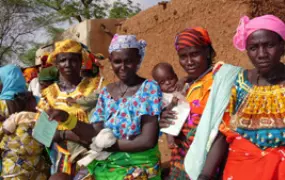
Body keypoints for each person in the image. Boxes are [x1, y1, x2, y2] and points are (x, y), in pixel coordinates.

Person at [48, 34, 162, 180]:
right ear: (111, 62)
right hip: (107, 162)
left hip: (139, 164)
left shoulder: (149, 89)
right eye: (117, 62)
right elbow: (94, 131)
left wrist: (109, 146)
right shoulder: (106, 92)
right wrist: (66, 119)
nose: (123, 67)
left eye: (129, 61)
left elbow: (147, 140)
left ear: (138, 60)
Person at [198, 15, 285, 180]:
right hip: (241, 168)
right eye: (253, 48)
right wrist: (205, 175)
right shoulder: (239, 82)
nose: (261, 54)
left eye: (270, 45)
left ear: (283, 46)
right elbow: (224, 132)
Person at [158, 27, 227, 179]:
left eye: (195, 54)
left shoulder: (218, 81)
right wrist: (165, 119)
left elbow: (221, 133)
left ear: (207, 52)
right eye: (183, 56)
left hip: (206, 168)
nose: (189, 62)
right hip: (180, 165)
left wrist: (205, 174)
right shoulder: (185, 86)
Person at [36, 39, 104, 178]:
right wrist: (66, 135)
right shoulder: (49, 94)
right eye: (62, 60)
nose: (67, 64)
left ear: (81, 61)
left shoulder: (96, 87)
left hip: (93, 153)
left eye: (73, 60)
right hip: (61, 158)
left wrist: (63, 133)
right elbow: (42, 134)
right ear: (56, 63)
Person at [0, 65, 50, 179]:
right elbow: (48, 128)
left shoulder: (1, 105)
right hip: (38, 163)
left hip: (12, 165)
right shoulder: (37, 101)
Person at [152, 62, 185, 149]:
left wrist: (182, 81)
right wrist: (172, 104)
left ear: (176, 76)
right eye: (162, 82)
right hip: (174, 119)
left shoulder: (181, 87)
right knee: (167, 122)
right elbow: (164, 112)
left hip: (186, 117)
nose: (168, 83)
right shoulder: (162, 97)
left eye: (170, 78)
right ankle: (171, 141)